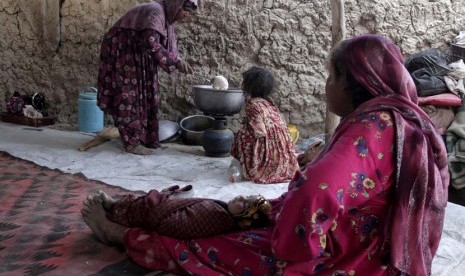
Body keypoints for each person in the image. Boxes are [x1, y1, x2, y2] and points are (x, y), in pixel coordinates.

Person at [82, 34, 449, 275]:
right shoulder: (403, 122)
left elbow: (315, 193)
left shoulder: (370, 130)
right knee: (224, 213)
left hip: (342, 260)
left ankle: (119, 233)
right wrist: (270, 210)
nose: (327, 86)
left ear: (354, 84)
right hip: (374, 252)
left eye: (330, 76)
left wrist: (286, 249)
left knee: (201, 247)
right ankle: (129, 211)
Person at [97, 0, 196, 155]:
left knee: (148, 91)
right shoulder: (156, 11)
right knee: (129, 96)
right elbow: (150, 42)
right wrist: (176, 62)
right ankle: (132, 143)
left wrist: (177, 61)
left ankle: (145, 138)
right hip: (123, 50)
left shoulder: (166, 19)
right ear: (175, 5)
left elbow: (152, 44)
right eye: (185, 10)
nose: (186, 15)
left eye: (189, 12)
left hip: (139, 53)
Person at [82, 187, 272, 241]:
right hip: (163, 209)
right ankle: (115, 204)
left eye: (244, 203)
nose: (240, 196)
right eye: (245, 195)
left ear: (245, 220)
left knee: (144, 205)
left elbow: (180, 224)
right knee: (152, 198)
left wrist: (158, 209)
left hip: (157, 216)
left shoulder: (218, 218)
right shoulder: (221, 209)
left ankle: (111, 221)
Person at [230, 66, 299, 183]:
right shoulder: (269, 103)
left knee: (242, 134)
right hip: (283, 156)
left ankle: (256, 166)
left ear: (249, 86)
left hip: (269, 152)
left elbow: (259, 131)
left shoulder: (253, 104)